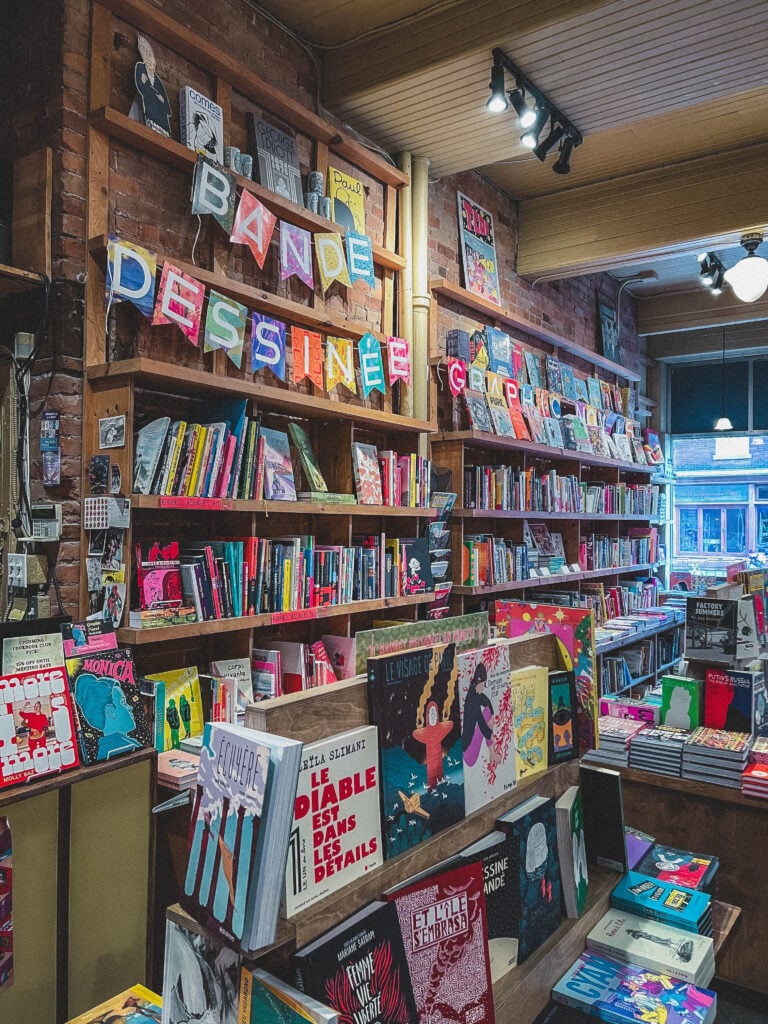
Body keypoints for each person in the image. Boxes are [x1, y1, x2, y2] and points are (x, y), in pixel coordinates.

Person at [73, 675, 140, 760]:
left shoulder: (125, 742)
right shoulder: (118, 745)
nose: (130, 707)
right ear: (111, 712)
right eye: (123, 702)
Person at [134, 36, 171, 137]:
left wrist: (161, 99)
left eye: (150, 54)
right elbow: (141, 87)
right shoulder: (140, 69)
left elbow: (166, 107)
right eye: (145, 54)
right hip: (149, 113)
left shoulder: (158, 81)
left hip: (161, 120)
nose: (148, 58)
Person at [461, 662, 495, 768]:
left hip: (468, 745)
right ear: (479, 680)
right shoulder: (472, 699)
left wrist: (493, 715)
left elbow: (485, 700)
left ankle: (492, 753)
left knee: (488, 711)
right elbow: (481, 722)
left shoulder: (474, 692)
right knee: (486, 713)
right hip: (468, 750)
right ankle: (492, 753)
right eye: (483, 684)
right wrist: (490, 735)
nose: (484, 687)